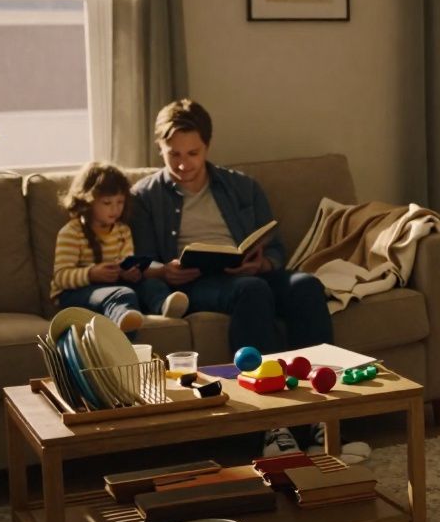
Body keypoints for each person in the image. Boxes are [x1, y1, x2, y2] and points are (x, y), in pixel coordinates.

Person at [130, 99, 337, 457]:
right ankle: (273, 424)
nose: (182, 164)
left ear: (207, 147)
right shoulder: (145, 196)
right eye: (173, 154)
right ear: (160, 149)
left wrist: (263, 263)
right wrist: (165, 270)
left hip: (244, 271)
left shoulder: (242, 187)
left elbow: (275, 249)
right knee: (251, 292)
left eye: (192, 153)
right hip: (194, 282)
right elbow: (140, 261)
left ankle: (322, 416)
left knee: (305, 286)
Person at [51, 162, 188, 335]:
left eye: (120, 202)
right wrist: (91, 274)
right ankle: (123, 317)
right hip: (74, 294)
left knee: (151, 284)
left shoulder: (122, 230)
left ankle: (164, 304)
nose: (115, 209)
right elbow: (61, 278)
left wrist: (128, 272)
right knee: (122, 293)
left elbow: (126, 260)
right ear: (87, 201)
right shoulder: (72, 232)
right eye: (107, 203)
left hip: (114, 285)